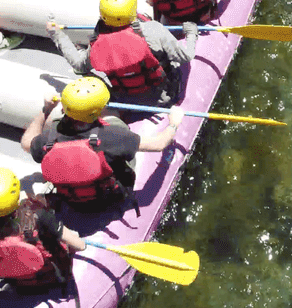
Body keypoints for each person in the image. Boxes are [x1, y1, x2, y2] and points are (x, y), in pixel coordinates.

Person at [21, 76, 184, 213]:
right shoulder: (113, 136)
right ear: (96, 111)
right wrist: (173, 124)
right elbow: (160, 144)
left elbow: (26, 142)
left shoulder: (48, 139)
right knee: (114, 121)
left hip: (72, 198)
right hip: (108, 198)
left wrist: (46, 109)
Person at [46, 0, 197, 105]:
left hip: (125, 98)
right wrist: (191, 33)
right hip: (163, 96)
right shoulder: (153, 30)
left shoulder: (97, 44)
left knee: (85, 70)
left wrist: (57, 34)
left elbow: (78, 66)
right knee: (170, 60)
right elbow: (187, 56)